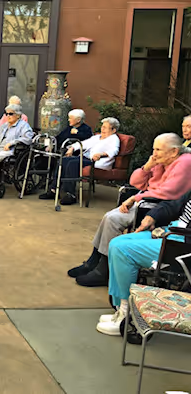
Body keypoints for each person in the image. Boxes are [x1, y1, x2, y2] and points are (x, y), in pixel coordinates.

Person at [68, 133, 191, 287]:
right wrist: (148, 166)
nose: (154, 153)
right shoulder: (162, 161)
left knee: (113, 219)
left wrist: (135, 198)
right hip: (148, 201)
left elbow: (169, 192)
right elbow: (135, 182)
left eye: (158, 149)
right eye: (154, 149)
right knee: (109, 216)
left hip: (160, 206)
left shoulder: (185, 162)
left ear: (173, 151)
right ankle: (94, 261)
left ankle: (103, 270)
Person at [96, 188, 191, 336]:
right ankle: (121, 307)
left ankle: (128, 313)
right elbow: (175, 204)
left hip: (183, 244)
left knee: (123, 250)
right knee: (116, 243)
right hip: (174, 232)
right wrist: (152, 216)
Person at [39, 117, 121, 206]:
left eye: (105, 127)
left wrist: (101, 154)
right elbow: (83, 143)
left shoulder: (114, 139)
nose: (102, 129)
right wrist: (72, 148)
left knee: (72, 163)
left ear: (113, 130)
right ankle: (53, 190)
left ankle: (70, 194)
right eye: (102, 127)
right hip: (86, 158)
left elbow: (114, 151)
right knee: (64, 160)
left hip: (96, 161)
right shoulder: (97, 137)